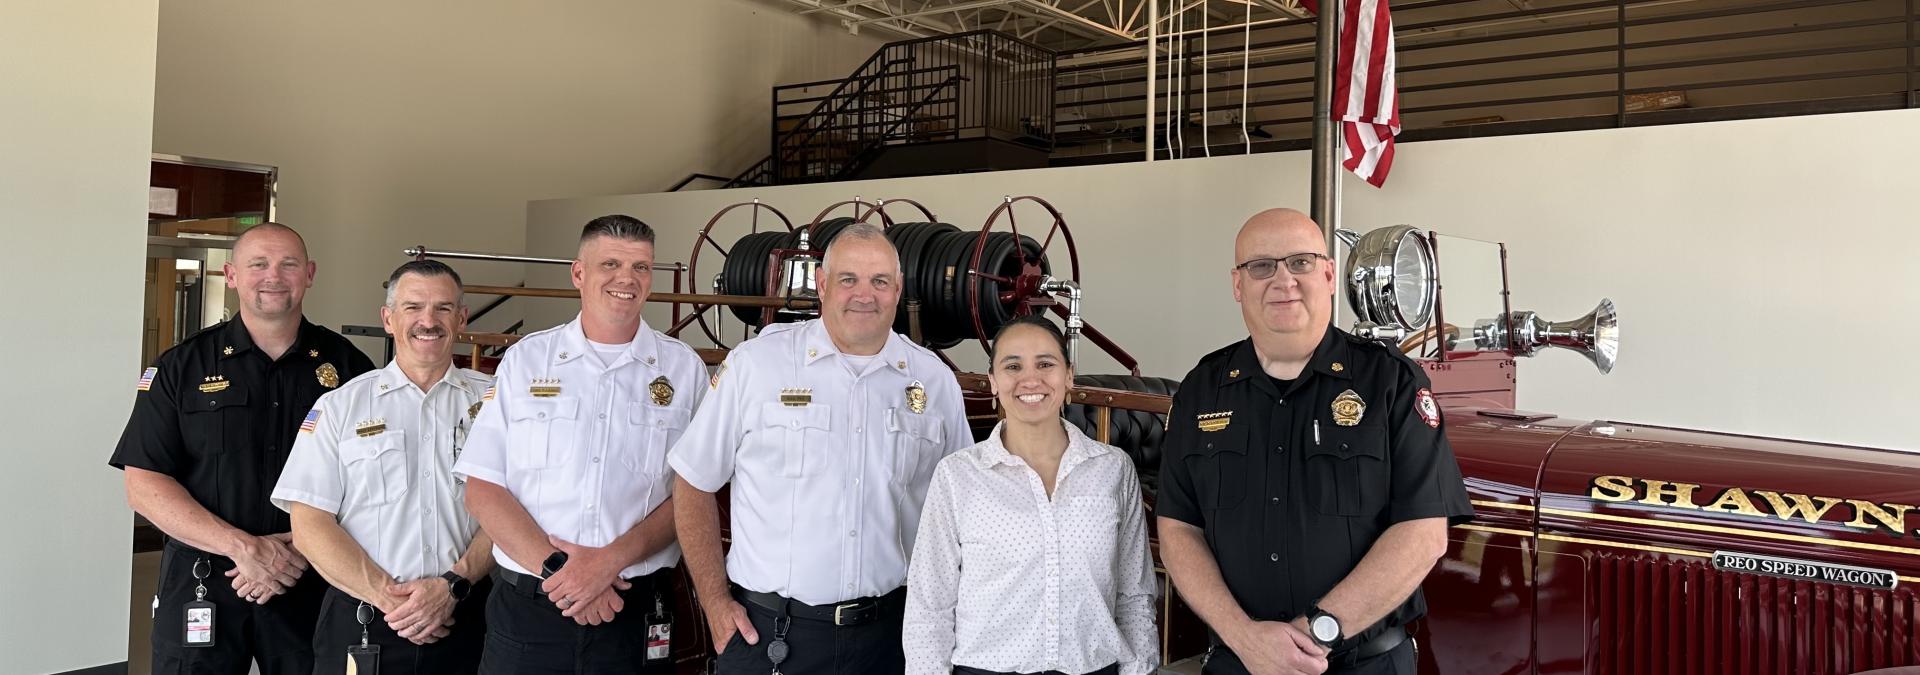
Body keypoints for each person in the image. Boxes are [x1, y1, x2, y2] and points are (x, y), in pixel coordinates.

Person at [1156, 208, 1474, 675]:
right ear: (1237, 285)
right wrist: (1245, 638)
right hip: (1239, 661)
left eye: (1300, 262)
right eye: (1261, 266)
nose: (1283, 279)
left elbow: (1423, 534)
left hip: (1364, 663)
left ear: (1328, 274)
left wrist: (1315, 633)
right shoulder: (1202, 389)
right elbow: (1179, 531)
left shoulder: (1391, 382)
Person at [671, 222, 971, 675]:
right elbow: (693, 481)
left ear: (899, 290)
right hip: (771, 635)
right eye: (848, 279)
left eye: (880, 281)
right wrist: (714, 605)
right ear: (823, 284)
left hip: (892, 639)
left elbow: (962, 511)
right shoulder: (758, 365)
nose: (864, 294)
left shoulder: (933, 381)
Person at [111, 222, 376, 675]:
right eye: (258, 264)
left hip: (312, 575)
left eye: (288, 264)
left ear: (309, 274)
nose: (273, 275)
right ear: (231, 276)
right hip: (204, 579)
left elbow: (373, 479)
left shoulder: (350, 368)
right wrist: (244, 549)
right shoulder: (181, 366)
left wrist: (295, 548)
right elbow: (144, 484)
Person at [454, 215, 706, 674]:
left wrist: (607, 563)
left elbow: (693, 493)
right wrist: (563, 576)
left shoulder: (684, 371)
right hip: (530, 612)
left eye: (641, 267)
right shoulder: (527, 361)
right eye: (610, 263)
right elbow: (483, 489)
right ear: (578, 273)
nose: (626, 279)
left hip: (633, 612)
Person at [271, 260, 496, 673]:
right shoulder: (340, 406)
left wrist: (452, 586)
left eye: (443, 308)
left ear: (462, 318)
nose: (428, 321)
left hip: (470, 615)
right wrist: (390, 598)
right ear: (388, 319)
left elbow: (511, 508)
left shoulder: (498, 404)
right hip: (366, 619)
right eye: (413, 307)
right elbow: (309, 522)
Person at [903, 315, 1158, 675]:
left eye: (1045, 364)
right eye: (1012, 365)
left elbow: (1135, 595)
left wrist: (1140, 670)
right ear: (993, 381)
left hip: (1094, 668)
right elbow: (930, 604)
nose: (1030, 379)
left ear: (1068, 375)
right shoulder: (958, 476)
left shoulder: (1112, 470)